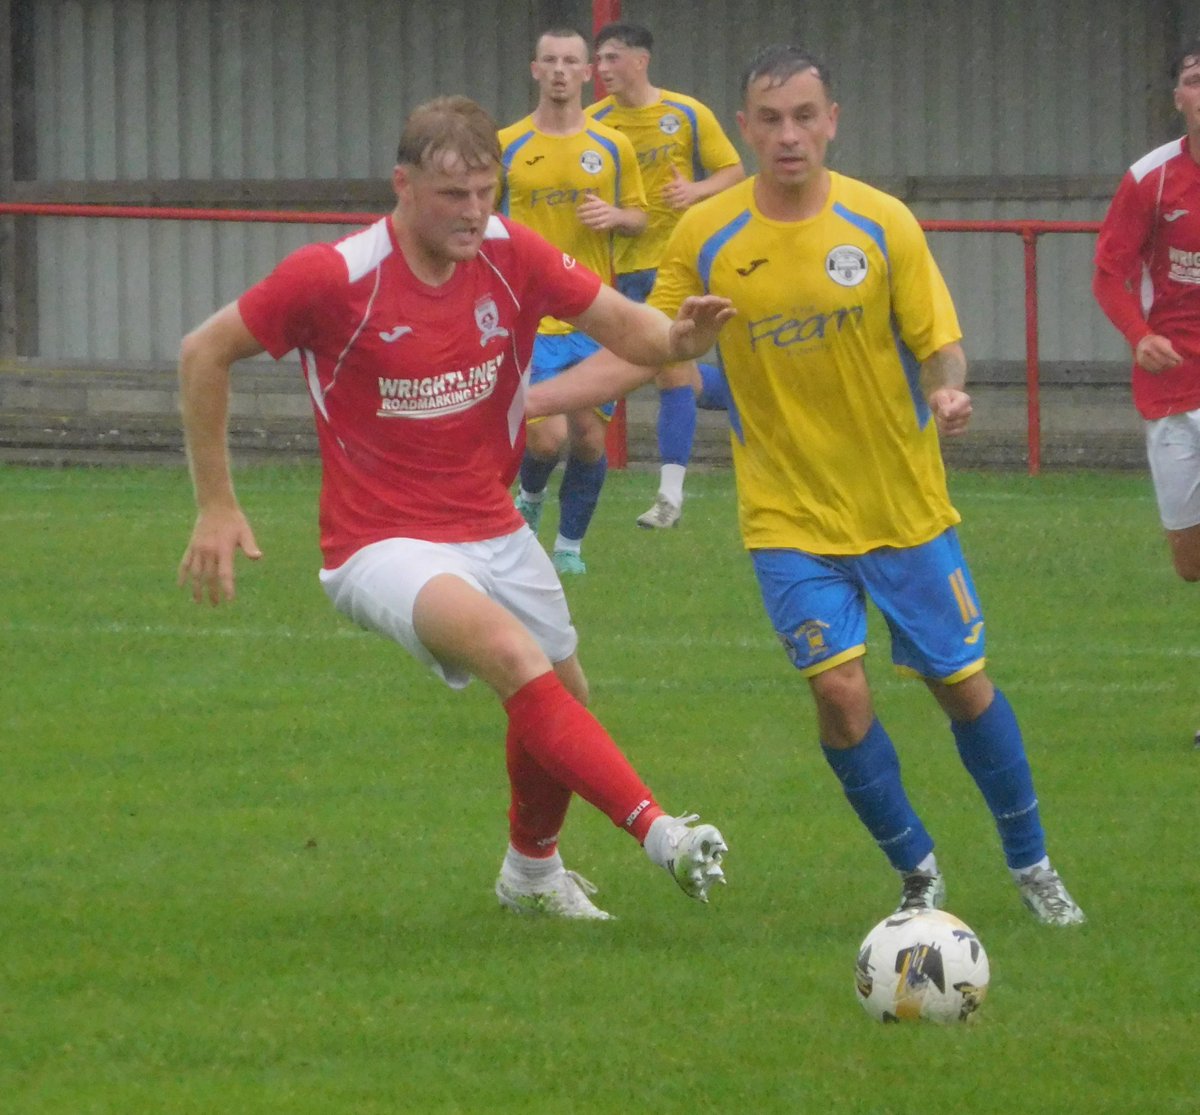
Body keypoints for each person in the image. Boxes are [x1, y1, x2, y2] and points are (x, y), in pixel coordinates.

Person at [527, 46, 1086, 926]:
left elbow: (940, 338)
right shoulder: (704, 237)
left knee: (962, 685)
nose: (788, 135)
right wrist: (533, 395)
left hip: (901, 505)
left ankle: (1033, 863)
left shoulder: (881, 222)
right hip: (786, 513)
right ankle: (918, 872)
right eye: (771, 119)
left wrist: (946, 384)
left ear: (832, 121)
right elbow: (645, 345)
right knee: (838, 688)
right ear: (744, 128)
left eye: (804, 116)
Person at [176, 94, 735, 920]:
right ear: (402, 186)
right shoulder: (336, 275)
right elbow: (203, 350)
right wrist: (216, 504)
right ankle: (665, 835)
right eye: (452, 195)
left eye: (486, 190)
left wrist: (682, 341)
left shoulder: (512, 252)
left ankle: (531, 875)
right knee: (514, 655)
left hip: (493, 523)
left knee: (563, 700)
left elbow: (630, 331)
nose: (475, 212)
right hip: (379, 544)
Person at [497, 28, 649, 575]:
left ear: (587, 74)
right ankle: (531, 499)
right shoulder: (507, 144)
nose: (560, 70)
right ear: (535, 70)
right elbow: (481, 221)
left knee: (587, 439)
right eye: (550, 61)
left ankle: (568, 550)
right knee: (545, 435)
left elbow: (641, 215)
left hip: (593, 314)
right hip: (529, 317)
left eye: (571, 62)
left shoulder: (612, 146)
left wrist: (617, 218)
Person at [589, 21, 746, 529]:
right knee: (674, 373)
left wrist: (695, 193)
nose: (603, 69)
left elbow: (733, 171)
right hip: (626, 267)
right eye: (600, 59)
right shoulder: (595, 124)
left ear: (641, 60)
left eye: (612, 57)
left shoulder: (686, 112)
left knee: (671, 369)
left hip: (682, 262)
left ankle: (669, 497)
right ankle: (768, 389)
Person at [1093, 39, 1200, 585]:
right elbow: (1110, 273)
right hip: (1173, 385)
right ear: (1178, 96)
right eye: (1196, 79)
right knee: (1189, 564)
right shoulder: (1151, 178)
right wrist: (1138, 335)